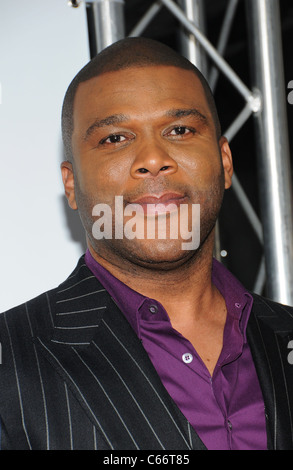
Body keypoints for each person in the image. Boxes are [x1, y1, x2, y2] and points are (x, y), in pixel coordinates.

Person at [0, 37, 292, 451]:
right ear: (71, 185)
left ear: (224, 162)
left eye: (179, 129)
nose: (153, 158)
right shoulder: (11, 360)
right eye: (115, 138)